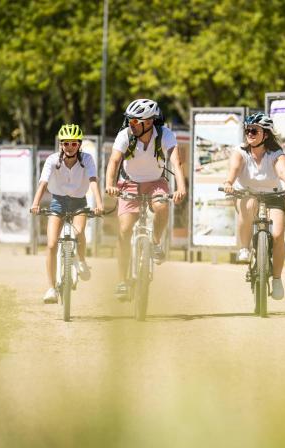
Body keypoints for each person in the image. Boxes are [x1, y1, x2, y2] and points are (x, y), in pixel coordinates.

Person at [105, 98, 187, 299]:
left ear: (149, 122)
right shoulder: (125, 135)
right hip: (128, 182)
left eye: (135, 121)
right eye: (129, 120)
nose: (130, 124)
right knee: (124, 229)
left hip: (156, 182)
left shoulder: (165, 135)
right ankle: (122, 281)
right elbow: (114, 161)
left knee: (161, 207)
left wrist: (181, 188)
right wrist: (110, 184)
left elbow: (175, 163)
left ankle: (156, 242)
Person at [222, 112, 285, 300]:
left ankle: (278, 279)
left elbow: (282, 171)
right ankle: (244, 248)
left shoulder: (276, 153)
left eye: (254, 130)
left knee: (278, 234)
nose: (249, 133)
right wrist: (228, 183)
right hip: (246, 193)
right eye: (247, 130)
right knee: (249, 204)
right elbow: (233, 170)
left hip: (273, 195)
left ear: (265, 134)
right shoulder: (240, 151)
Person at [30, 124, 104, 303]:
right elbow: (43, 183)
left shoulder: (87, 159)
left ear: (79, 144)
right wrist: (35, 203)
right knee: (51, 244)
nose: (69, 147)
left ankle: (81, 260)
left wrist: (99, 203)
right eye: (65, 143)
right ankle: (51, 288)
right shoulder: (52, 160)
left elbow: (93, 181)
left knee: (79, 234)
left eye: (73, 143)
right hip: (58, 202)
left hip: (79, 201)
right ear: (60, 145)